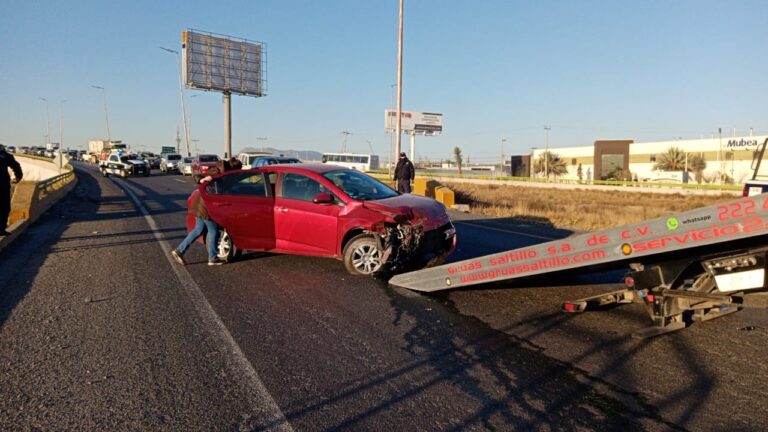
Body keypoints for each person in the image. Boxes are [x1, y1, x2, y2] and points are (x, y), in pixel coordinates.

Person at [171, 164, 225, 266]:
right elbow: (197, 176)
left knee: (198, 230)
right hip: (205, 207)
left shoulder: (217, 171)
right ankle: (212, 259)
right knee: (213, 231)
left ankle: (179, 251)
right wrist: (202, 180)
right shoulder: (217, 172)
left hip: (200, 205)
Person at [0, 144, 23, 236]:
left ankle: (1, 228)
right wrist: (18, 176)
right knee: (4, 207)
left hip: (3, 185)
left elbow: (15, 166)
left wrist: (18, 176)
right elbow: (15, 166)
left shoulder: (4, 156)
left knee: (4, 207)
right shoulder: (4, 156)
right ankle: (1, 228)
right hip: (3, 185)